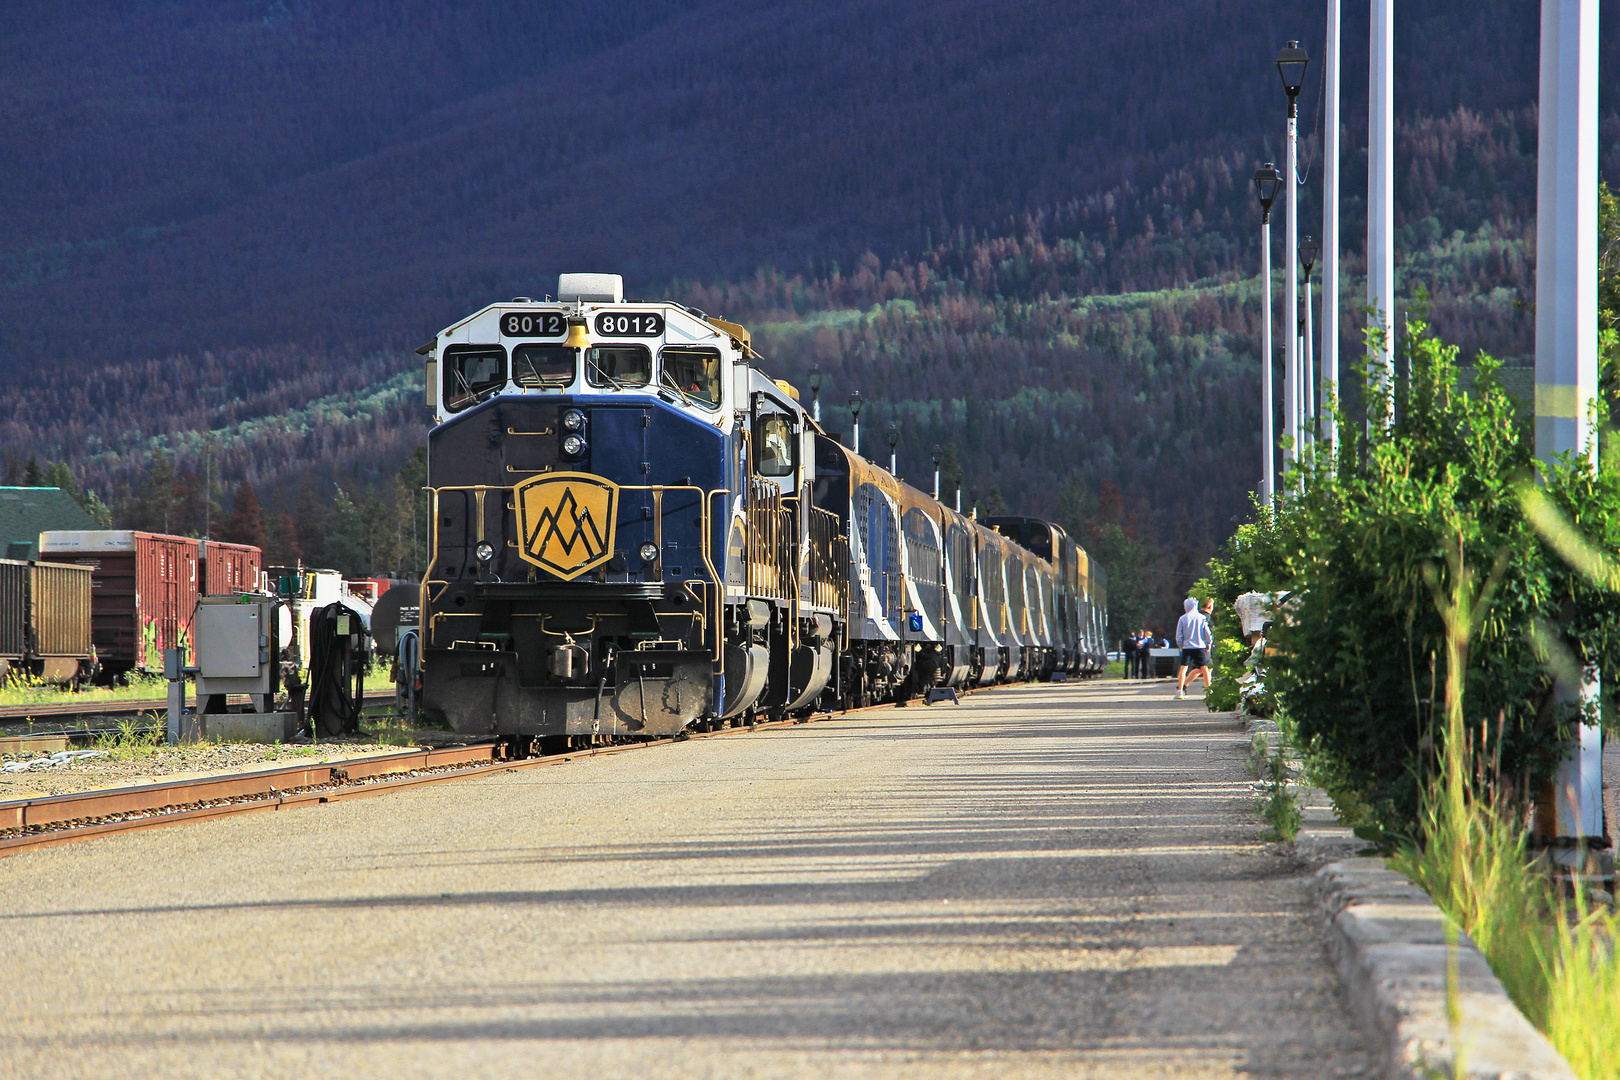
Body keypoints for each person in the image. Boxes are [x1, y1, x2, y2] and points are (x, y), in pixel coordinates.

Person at [1175, 598, 1213, 701]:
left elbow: (1179, 635)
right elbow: (1207, 632)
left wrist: (1181, 646)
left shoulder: (1183, 618)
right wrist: (1208, 643)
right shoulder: (1201, 617)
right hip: (1200, 646)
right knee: (1205, 668)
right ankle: (1209, 691)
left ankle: (1180, 691)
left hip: (1187, 647)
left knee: (1183, 668)